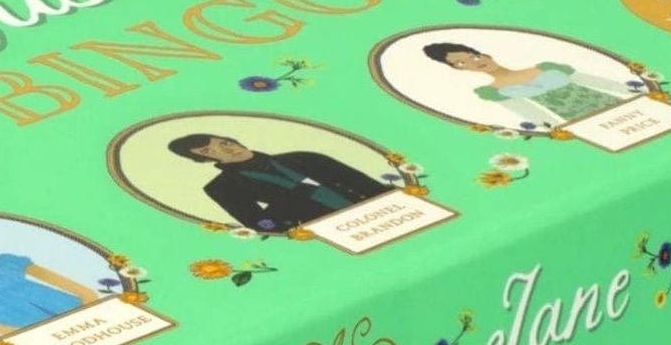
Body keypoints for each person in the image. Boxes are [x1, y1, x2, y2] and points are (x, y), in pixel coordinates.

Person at [168, 131, 391, 232]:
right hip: (322, 232)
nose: (227, 149)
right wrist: (298, 193)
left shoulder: (304, 157)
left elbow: (368, 185)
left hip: (380, 214)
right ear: (202, 159)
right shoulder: (221, 187)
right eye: (208, 150)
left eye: (224, 143)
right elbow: (262, 225)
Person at [421, 41, 641, 128]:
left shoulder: (545, 67)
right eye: (461, 63)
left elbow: (596, 82)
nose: (474, 63)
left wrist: (636, 92)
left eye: (473, 56)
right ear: (458, 69)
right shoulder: (493, 91)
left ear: (484, 53)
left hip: (616, 105)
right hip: (580, 122)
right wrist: (556, 129)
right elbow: (531, 113)